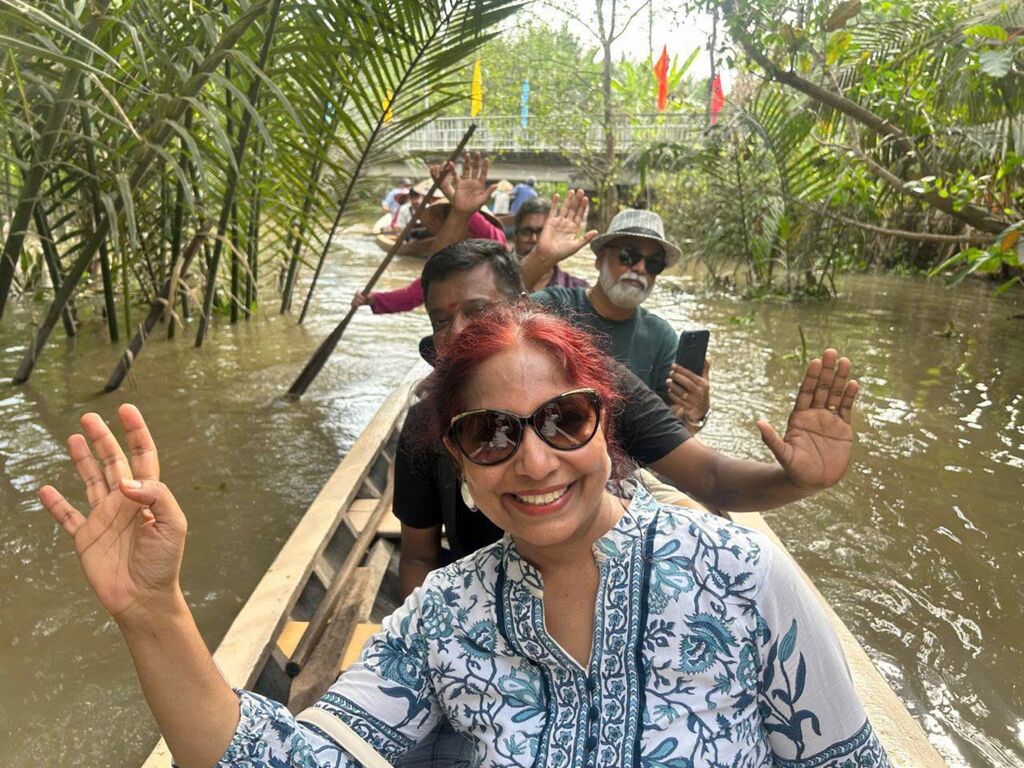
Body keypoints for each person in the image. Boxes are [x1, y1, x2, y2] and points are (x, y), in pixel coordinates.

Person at [38, 306, 886, 768]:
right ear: (459, 460)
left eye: (564, 419)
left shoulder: (740, 576)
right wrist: (154, 612)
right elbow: (281, 761)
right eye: (491, 434)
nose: (535, 461)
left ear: (605, 423)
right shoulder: (447, 614)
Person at [395, 239, 861, 598]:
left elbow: (710, 477)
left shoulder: (591, 384)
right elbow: (418, 556)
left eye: (478, 311)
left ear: (521, 306)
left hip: (612, 581)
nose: (458, 333)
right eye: (441, 320)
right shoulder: (425, 425)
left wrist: (798, 481)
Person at [526, 204, 710, 430]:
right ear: (600, 259)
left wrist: (695, 414)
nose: (640, 268)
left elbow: (672, 429)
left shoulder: (661, 337)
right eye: (628, 256)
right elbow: (496, 318)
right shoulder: (555, 306)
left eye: (653, 263)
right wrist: (540, 259)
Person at [352, 153, 507, 315]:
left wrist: (453, 197)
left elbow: (491, 238)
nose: (456, 224)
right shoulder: (447, 260)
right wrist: (374, 299)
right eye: (450, 220)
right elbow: (412, 295)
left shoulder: (492, 245)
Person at [512, 197, 588, 290]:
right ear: (515, 238)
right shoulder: (497, 283)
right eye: (526, 232)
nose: (534, 239)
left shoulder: (576, 290)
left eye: (542, 233)